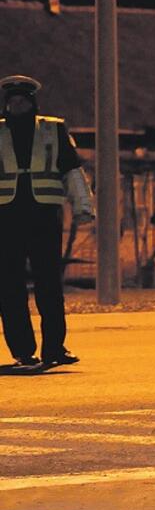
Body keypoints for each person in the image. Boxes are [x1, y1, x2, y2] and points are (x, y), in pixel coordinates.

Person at [0, 75, 94, 367]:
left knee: (49, 285)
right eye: (12, 101)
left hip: (44, 216)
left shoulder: (53, 129)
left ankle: (54, 348)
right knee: (9, 286)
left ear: (32, 103)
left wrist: (83, 206)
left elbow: (72, 171)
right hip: (7, 218)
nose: (17, 105)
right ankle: (22, 352)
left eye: (22, 101)